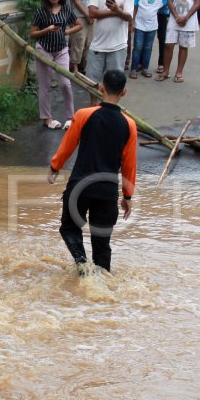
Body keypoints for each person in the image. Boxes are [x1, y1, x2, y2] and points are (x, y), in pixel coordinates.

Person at [47, 69, 137, 273]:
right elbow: (129, 163)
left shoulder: (84, 115)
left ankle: (82, 265)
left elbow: (67, 146)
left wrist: (55, 167)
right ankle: (102, 290)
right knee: (102, 245)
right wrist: (128, 195)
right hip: (106, 193)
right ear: (124, 92)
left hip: (80, 187)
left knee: (69, 228)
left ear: (101, 88)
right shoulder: (129, 125)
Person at [29, 0, 82, 130]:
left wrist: (66, 32)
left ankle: (71, 117)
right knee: (45, 85)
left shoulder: (66, 9)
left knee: (66, 83)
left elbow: (79, 24)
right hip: (43, 50)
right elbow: (32, 33)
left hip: (61, 50)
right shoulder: (41, 11)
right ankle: (47, 118)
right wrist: (47, 29)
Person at [85, 0, 134, 83]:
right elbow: (91, 14)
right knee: (92, 82)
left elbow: (128, 17)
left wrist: (118, 10)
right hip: (98, 45)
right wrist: (115, 11)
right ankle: (95, 102)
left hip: (118, 46)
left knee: (114, 83)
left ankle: (108, 103)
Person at [158, 0, 200, 83]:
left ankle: (179, 72)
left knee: (183, 47)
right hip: (174, 19)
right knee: (168, 45)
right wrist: (177, 16)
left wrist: (186, 17)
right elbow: (170, 0)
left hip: (188, 22)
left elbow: (197, 3)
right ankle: (166, 71)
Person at [131, 0, 166, 78]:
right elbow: (135, 7)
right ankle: (134, 68)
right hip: (139, 25)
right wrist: (132, 22)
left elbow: (165, 6)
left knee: (148, 47)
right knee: (137, 47)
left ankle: (145, 68)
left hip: (152, 26)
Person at [68, 0, 99, 73]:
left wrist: (93, 15)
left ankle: (83, 66)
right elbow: (76, 1)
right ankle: (74, 67)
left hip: (92, 18)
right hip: (80, 17)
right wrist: (87, 15)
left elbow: (96, 0)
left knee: (89, 43)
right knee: (78, 42)